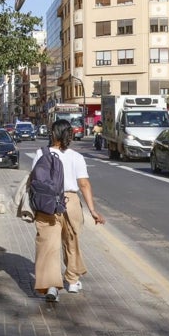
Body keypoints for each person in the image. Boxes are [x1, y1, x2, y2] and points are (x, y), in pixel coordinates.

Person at [18, 121, 105, 302]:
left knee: (48, 245)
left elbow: (35, 179)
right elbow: (84, 184)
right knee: (71, 240)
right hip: (70, 201)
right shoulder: (76, 157)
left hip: (46, 203)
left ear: (53, 134)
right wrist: (92, 210)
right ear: (69, 135)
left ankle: (51, 287)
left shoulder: (41, 153)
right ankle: (73, 280)